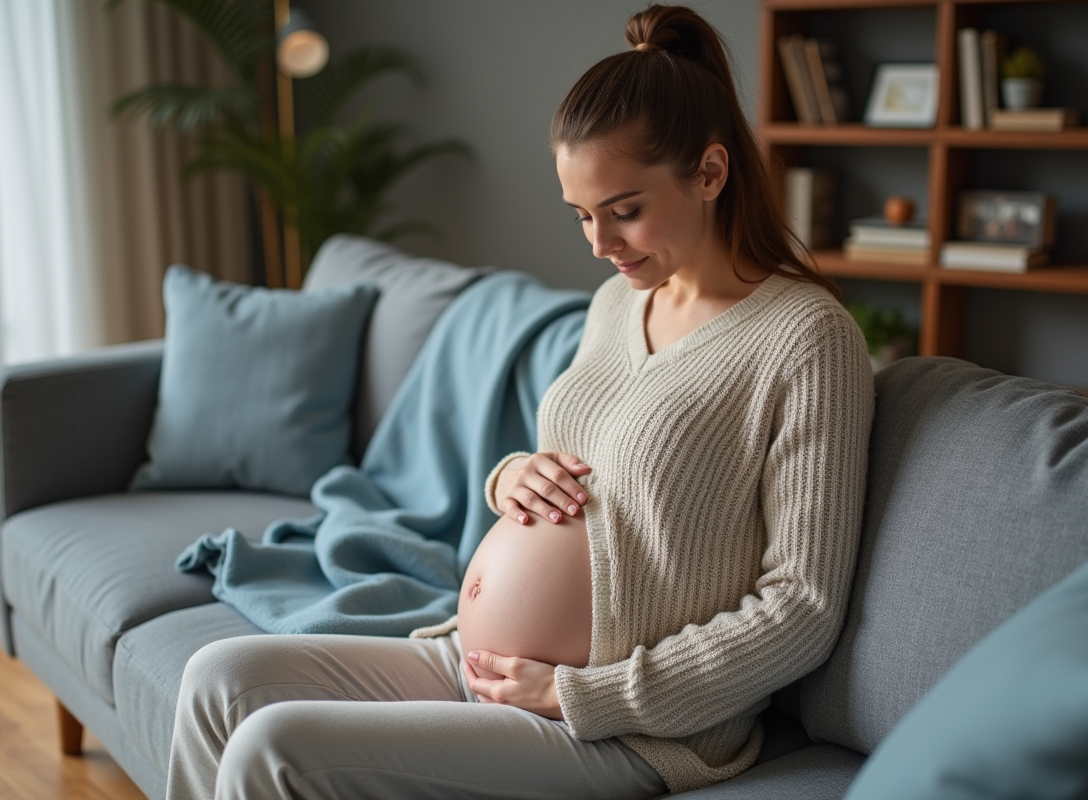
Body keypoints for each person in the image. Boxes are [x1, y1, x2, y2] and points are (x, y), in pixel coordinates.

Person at [164, 6, 873, 799]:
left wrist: (580, 694)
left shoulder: (808, 338)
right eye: (582, 214)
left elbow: (801, 609)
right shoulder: (616, 303)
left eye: (625, 209)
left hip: (619, 723)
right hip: (476, 659)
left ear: (710, 173)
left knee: (276, 747)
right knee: (218, 675)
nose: (599, 244)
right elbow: (585, 460)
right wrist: (511, 477)